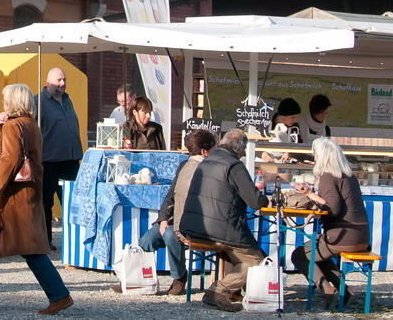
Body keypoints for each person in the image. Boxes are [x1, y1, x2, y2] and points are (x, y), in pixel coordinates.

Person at [0, 84, 74, 315]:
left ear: (12, 101)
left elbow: (8, 161)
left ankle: (59, 295)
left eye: (5, 98)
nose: (3, 102)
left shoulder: (15, 126)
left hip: (12, 198)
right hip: (26, 194)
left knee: (27, 249)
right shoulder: (29, 124)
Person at [111, 129, 217, 295]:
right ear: (205, 151)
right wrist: (163, 219)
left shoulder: (211, 169)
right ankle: (135, 279)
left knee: (169, 235)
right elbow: (171, 195)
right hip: (175, 218)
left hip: (197, 223)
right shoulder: (184, 166)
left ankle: (179, 277)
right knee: (147, 240)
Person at [181, 129, 269, 312]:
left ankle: (233, 291)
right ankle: (218, 291)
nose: (244, 154)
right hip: (218, 229)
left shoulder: (206, 162)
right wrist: (267, 198)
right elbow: (256, 201)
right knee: (256, 261)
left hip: (193, 226)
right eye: (244, 151)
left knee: (237, 250)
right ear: (239, 149)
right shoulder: (234, 166)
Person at [290, 137, 369, 308]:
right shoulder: (349, 176)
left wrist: (309, 193)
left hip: (342, 236)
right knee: (318, 254)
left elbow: (332, 208)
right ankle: (344, 290)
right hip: (361, 236)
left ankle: (326, 289)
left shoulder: (328, 176)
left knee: (299, 255)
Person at [26, 67, 83, 249]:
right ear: (48, 81)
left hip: (70, 160)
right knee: (45, 203)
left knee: (73, 202)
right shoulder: (38, 101)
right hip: (48, 161)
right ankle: (45, 241)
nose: (63, 83)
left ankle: (75, 241)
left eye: (64, 80)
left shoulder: (67, 100)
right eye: (59, 80)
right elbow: (26, 126)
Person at [263, 97, 301, 163]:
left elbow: (299, 145)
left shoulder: (294, 127)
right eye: (292, 117)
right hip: (265, 162)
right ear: (282, 116)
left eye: (297, 117)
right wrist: (263, 154)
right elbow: (255, 143)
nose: (295, 120)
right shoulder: (266, 123)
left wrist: (289, 152)